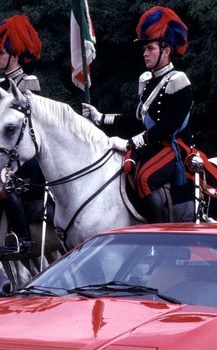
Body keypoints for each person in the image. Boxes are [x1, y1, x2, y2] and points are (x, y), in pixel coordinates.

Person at [81, 6, 193, 223]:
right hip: (151, 144)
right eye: (144, 49)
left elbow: (168, 126)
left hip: (174, 145)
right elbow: (137, 118)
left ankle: (161, 233)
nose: (145, 53)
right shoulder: (147, 81)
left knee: (144, 178)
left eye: (150, 48)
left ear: (166, 50)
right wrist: (100, 117)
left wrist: (132, 142)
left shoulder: (179, 81)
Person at [0, 14, 44, 254]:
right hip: (3, 150)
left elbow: (30, 126)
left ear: (14, 55)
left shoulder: (29, 83)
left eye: (0, 53)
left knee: (3, 183)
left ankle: (24, 240)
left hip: (25, 154)